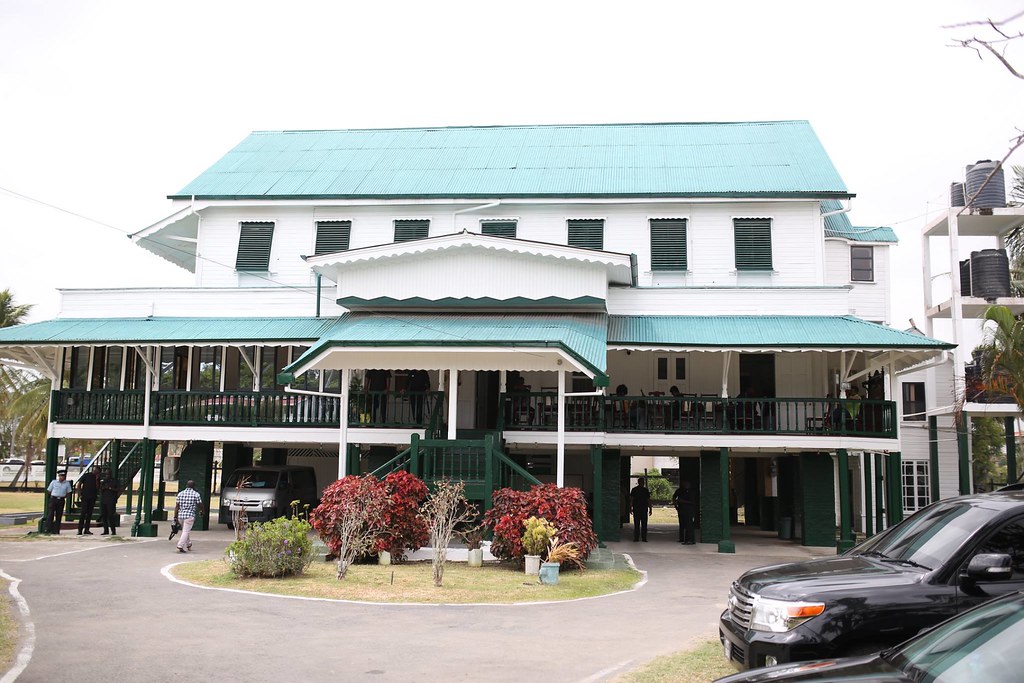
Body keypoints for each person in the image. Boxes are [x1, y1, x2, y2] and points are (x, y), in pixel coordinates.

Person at [174, 480, 204, 554]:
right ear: (194, 486)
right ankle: (179, 546)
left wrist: (175, 517)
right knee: (186, 531)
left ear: (186, 485)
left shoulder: (180, 494)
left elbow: (177, 506)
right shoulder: (196, 494)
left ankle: (189, 544)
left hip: (180, 515)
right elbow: (200, 504)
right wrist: (202, 511)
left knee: (185, 531)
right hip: (189, 515)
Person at [672, 480, 698, 544]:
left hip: (689, 510)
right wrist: (676, 505)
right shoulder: (680, 490)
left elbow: (693, 502)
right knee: (682, 524)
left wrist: (682, 501)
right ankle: (682, 538)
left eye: (686, 483)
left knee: (689, 525)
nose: (685, 485)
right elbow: (674, 497)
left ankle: (690, 540)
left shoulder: (692, 492)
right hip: (682, 509)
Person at [76, 467, 99, 535]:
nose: (95, 472)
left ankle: (87, 529)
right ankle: (80, 529)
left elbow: (98, 488)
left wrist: (97, 480)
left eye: (97, 471)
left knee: (89, 514)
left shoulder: (97, 478)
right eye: (95, 470)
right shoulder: (86, 475)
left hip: (92, 498)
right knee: (83, 513)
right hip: (85, 497)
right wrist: (80, 494)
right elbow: (79, 484)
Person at [629, 476, 653, 542]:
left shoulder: (645, 490)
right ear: (639, 482)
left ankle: (643, 538)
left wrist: (650, 508)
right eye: (641, 482)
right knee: (637, 524)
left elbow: (648, 500)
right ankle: (637, 537)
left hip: (643, 509)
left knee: (644, 524)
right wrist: (630, 507)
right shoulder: (635, 490)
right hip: (637, 508)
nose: (642, 483)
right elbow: (631, 499)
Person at [99, 468, 120, 535]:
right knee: (104, 515)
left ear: (111, 474)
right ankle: (106, 530)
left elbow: (118, 489)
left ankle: (113, 530)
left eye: (108, 474)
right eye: (106, 474)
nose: (107, 475)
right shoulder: (104, 481)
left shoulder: (114, 481)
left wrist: (110, 488)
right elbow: (100, 489)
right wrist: (102, 487)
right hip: (104, 500)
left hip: (111, 501)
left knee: (111, 515)